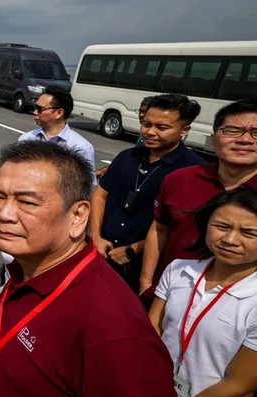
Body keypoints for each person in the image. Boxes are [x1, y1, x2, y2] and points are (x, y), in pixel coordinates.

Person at [0, 140, 178, 397]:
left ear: (78, 215)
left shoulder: (112, 329)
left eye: (26, 201)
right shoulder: (27, 267)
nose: (4, 213)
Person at [149, 187, 257, 397]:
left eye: (249, 233)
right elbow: (152, 334)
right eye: (222, 226)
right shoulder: (179, 270)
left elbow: (240, 386)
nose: (231, 239)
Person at [141, 100, 257, 296]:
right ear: (213, 139)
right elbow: (159, 229)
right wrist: (146, 282)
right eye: (232, 130)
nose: (245, 139)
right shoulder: (179, 179)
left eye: (256, 133)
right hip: (168, 292)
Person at [90, 93, 204, 293]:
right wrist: (96, 236)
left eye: (162, 127)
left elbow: (177, 228)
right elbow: (100, 194)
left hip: (143, 268)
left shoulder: (192, 170)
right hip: (100, 252)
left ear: (184, 130)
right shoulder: (127, 156)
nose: (150, 132)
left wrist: (132, 250)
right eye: (146, 124)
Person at [18, 86, 96, 179]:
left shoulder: (82, 148)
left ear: (59, 113)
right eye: (35, 107)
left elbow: (86, 187)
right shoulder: (26, 139)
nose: (35, 112)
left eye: (40, 109)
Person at [94, 96, 153, 180]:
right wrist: (103, 171)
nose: (141, 115)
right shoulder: (143, 136)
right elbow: (130, 161)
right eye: (140, 111)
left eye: (145, 112)